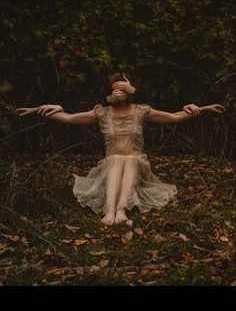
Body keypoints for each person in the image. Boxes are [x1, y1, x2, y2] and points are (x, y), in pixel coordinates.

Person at [13, 72, 225, 225]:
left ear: (129, 91)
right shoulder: (101, 112)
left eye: (122, 87)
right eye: (115, 87)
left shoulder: (141, 110)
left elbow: (173, 116)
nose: (119, 91)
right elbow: (68, 117)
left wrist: (201, 108)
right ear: (109, 92)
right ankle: (110, 211)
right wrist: (42, 109)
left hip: (137, 164)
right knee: (116, 159)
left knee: (130, 159)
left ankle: (121, 210)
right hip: (111, 165)